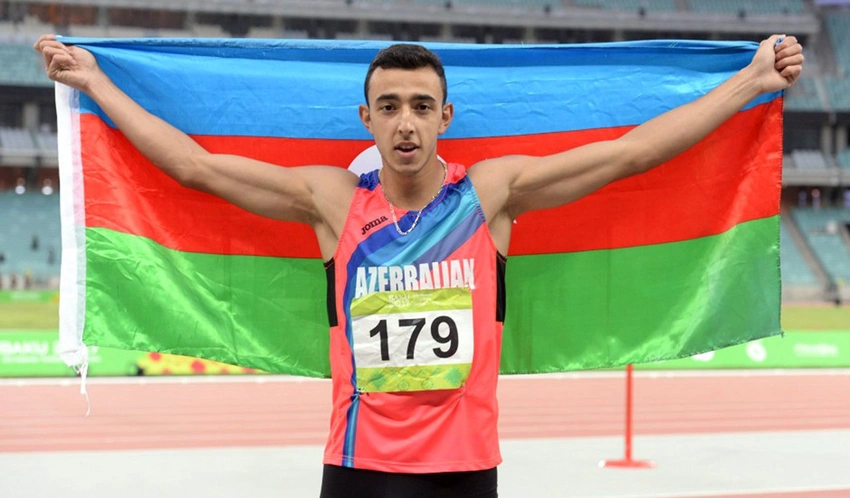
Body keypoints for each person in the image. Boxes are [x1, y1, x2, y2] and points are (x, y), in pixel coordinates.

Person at [35, 34, 803, 497]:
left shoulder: (492, 194)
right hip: (359, 465)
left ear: (445, 117)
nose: (406, 122)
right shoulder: (332, 201)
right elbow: (195, 168)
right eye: (391, 106)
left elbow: (630, 154)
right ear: (367, 119)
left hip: (465, 468)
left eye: (421, 105)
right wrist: (95, 82)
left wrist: (752, 82)